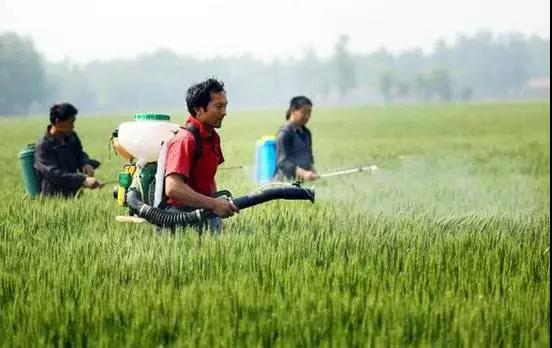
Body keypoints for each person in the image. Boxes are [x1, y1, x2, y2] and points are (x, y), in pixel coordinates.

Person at [163, 78, 238, 234]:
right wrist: (214, 204)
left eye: (225, 106)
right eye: (218, 107)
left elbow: (208, 180)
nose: (224, 112)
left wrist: (216, 207)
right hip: (181, 218)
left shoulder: (213, 138)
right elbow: (173, 188)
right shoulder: (185, 140)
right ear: (198, 110)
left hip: (205, 213)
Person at [34, 103, 101, 197]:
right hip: (52, 197)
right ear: (58, 122)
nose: (73, 126)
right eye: (71, 122)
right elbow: (53, 173)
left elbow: (80, 154)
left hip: (75, 195)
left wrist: (85, 163)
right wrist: (82, 180)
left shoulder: (71, 137)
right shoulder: (43, 146)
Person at [274, 96, 318, 182]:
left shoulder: (306, 133)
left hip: (302, 182)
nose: (307, 116)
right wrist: (303, 173)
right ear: (293, 111)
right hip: (285, 182)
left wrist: (313, 172)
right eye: (304, 112)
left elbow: (309, 158)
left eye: (309, 113)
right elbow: (282, 162)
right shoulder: (284, 133)